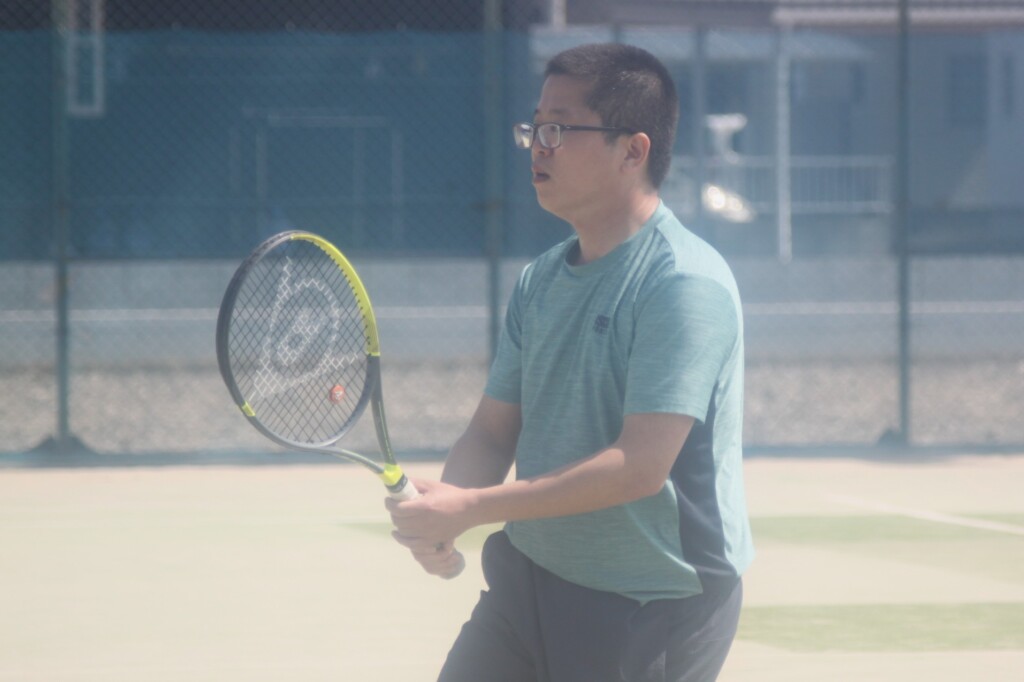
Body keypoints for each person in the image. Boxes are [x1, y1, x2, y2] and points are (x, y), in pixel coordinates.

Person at [387, 43, 753, 682]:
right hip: (528, 583)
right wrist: (449, 508)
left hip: (652, 603)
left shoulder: (683, 284)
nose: (538, 147)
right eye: (534, 128)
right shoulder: (542, 279)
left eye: (559, 129)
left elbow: (637, 467)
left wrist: (472, 507)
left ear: (632, 151)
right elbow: (492, 431)